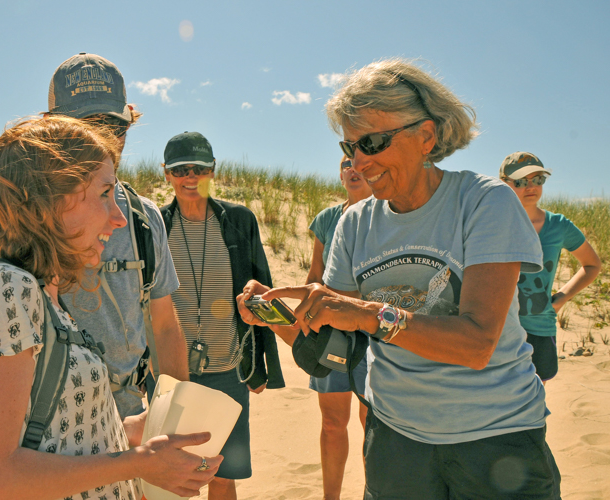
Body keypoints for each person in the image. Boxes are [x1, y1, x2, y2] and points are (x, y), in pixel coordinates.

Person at [237, 58, 561, 499]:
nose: (358, 161)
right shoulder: (354, 223)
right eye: (347, 147)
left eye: (371, 142)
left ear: (426, 136)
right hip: (396, 442)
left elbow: (477, 343)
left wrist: (367, 314)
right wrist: (276, 319)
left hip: (497, 440)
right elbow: (339, 350)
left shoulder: (486, 203)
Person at [0, 115, 222, 500]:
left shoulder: (44, 294)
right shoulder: (4, 287)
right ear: (49, 199)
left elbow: (55, 438)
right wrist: (139, 463)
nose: (118, 217)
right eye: (104, 193)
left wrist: (127, 433)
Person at [0, 53, 188, 418]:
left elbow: (164, 326)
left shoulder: (143, 218)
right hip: (34, 430)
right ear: (50, 131)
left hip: (128, 417)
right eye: (84, 129)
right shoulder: (4, 212)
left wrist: (175, 422)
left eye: (112, 127)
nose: (100, 142)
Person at [158, 131, 285, 500]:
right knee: (171, 479)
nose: (190, 177)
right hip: (170, 375)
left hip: (228, 371)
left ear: (213, 171)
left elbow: (264, 290)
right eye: (180, 169)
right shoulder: (157, 225)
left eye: (199, 168)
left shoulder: (239, 220)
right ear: (166, 174)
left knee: (222, 475)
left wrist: (262, 368)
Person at [500, 152, 600, 384]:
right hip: (499, 327)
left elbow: (592, 265)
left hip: (539, 327)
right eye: (521, 182)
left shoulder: (559, 226)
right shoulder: (490, 223)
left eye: (538, 179)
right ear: (503, 183)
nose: (531, 186)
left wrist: (560, 300)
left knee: (535, 398)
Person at [305, 156, 372, 500]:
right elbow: (314, 278)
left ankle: (371, 493)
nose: (353, 168)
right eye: (346, 162)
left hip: (374, 336)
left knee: (371, 425)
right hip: (330, 334)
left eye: (359, 162)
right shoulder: (328, 218)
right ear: (340, 172)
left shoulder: (387, 215)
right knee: (332, 424)